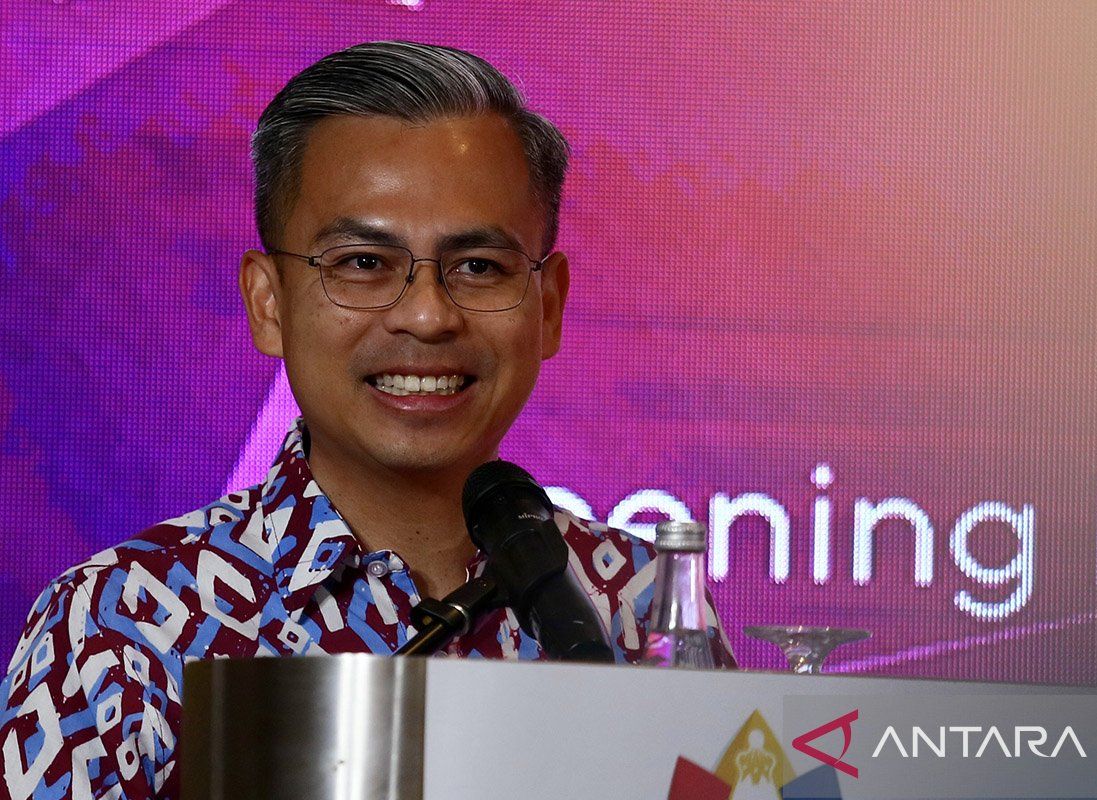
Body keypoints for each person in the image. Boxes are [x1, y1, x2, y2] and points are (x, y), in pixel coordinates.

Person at [0, 41, 736, 799]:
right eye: (362, 263)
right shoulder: (122, 627)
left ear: (547, 307)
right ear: (269, 303)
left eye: (479, 266)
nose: (427, 315)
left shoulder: (641, 600)